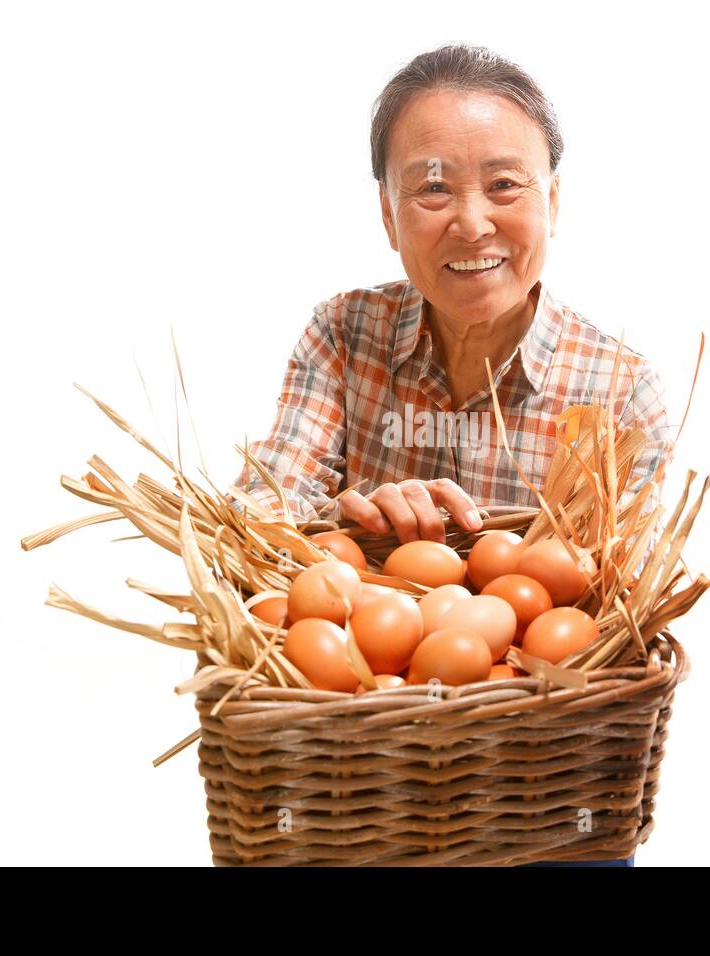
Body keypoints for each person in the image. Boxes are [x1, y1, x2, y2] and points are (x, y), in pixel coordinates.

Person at [235, 43, 671, 867]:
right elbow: (255, 522)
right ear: (388, 212)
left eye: (505, 185)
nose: (472, 222)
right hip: (354, 779)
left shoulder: (617, 392)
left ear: (553, 200)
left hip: (542, 790)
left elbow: (607, 620)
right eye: (433, 187)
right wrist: (342, 518)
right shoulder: (343, 337)